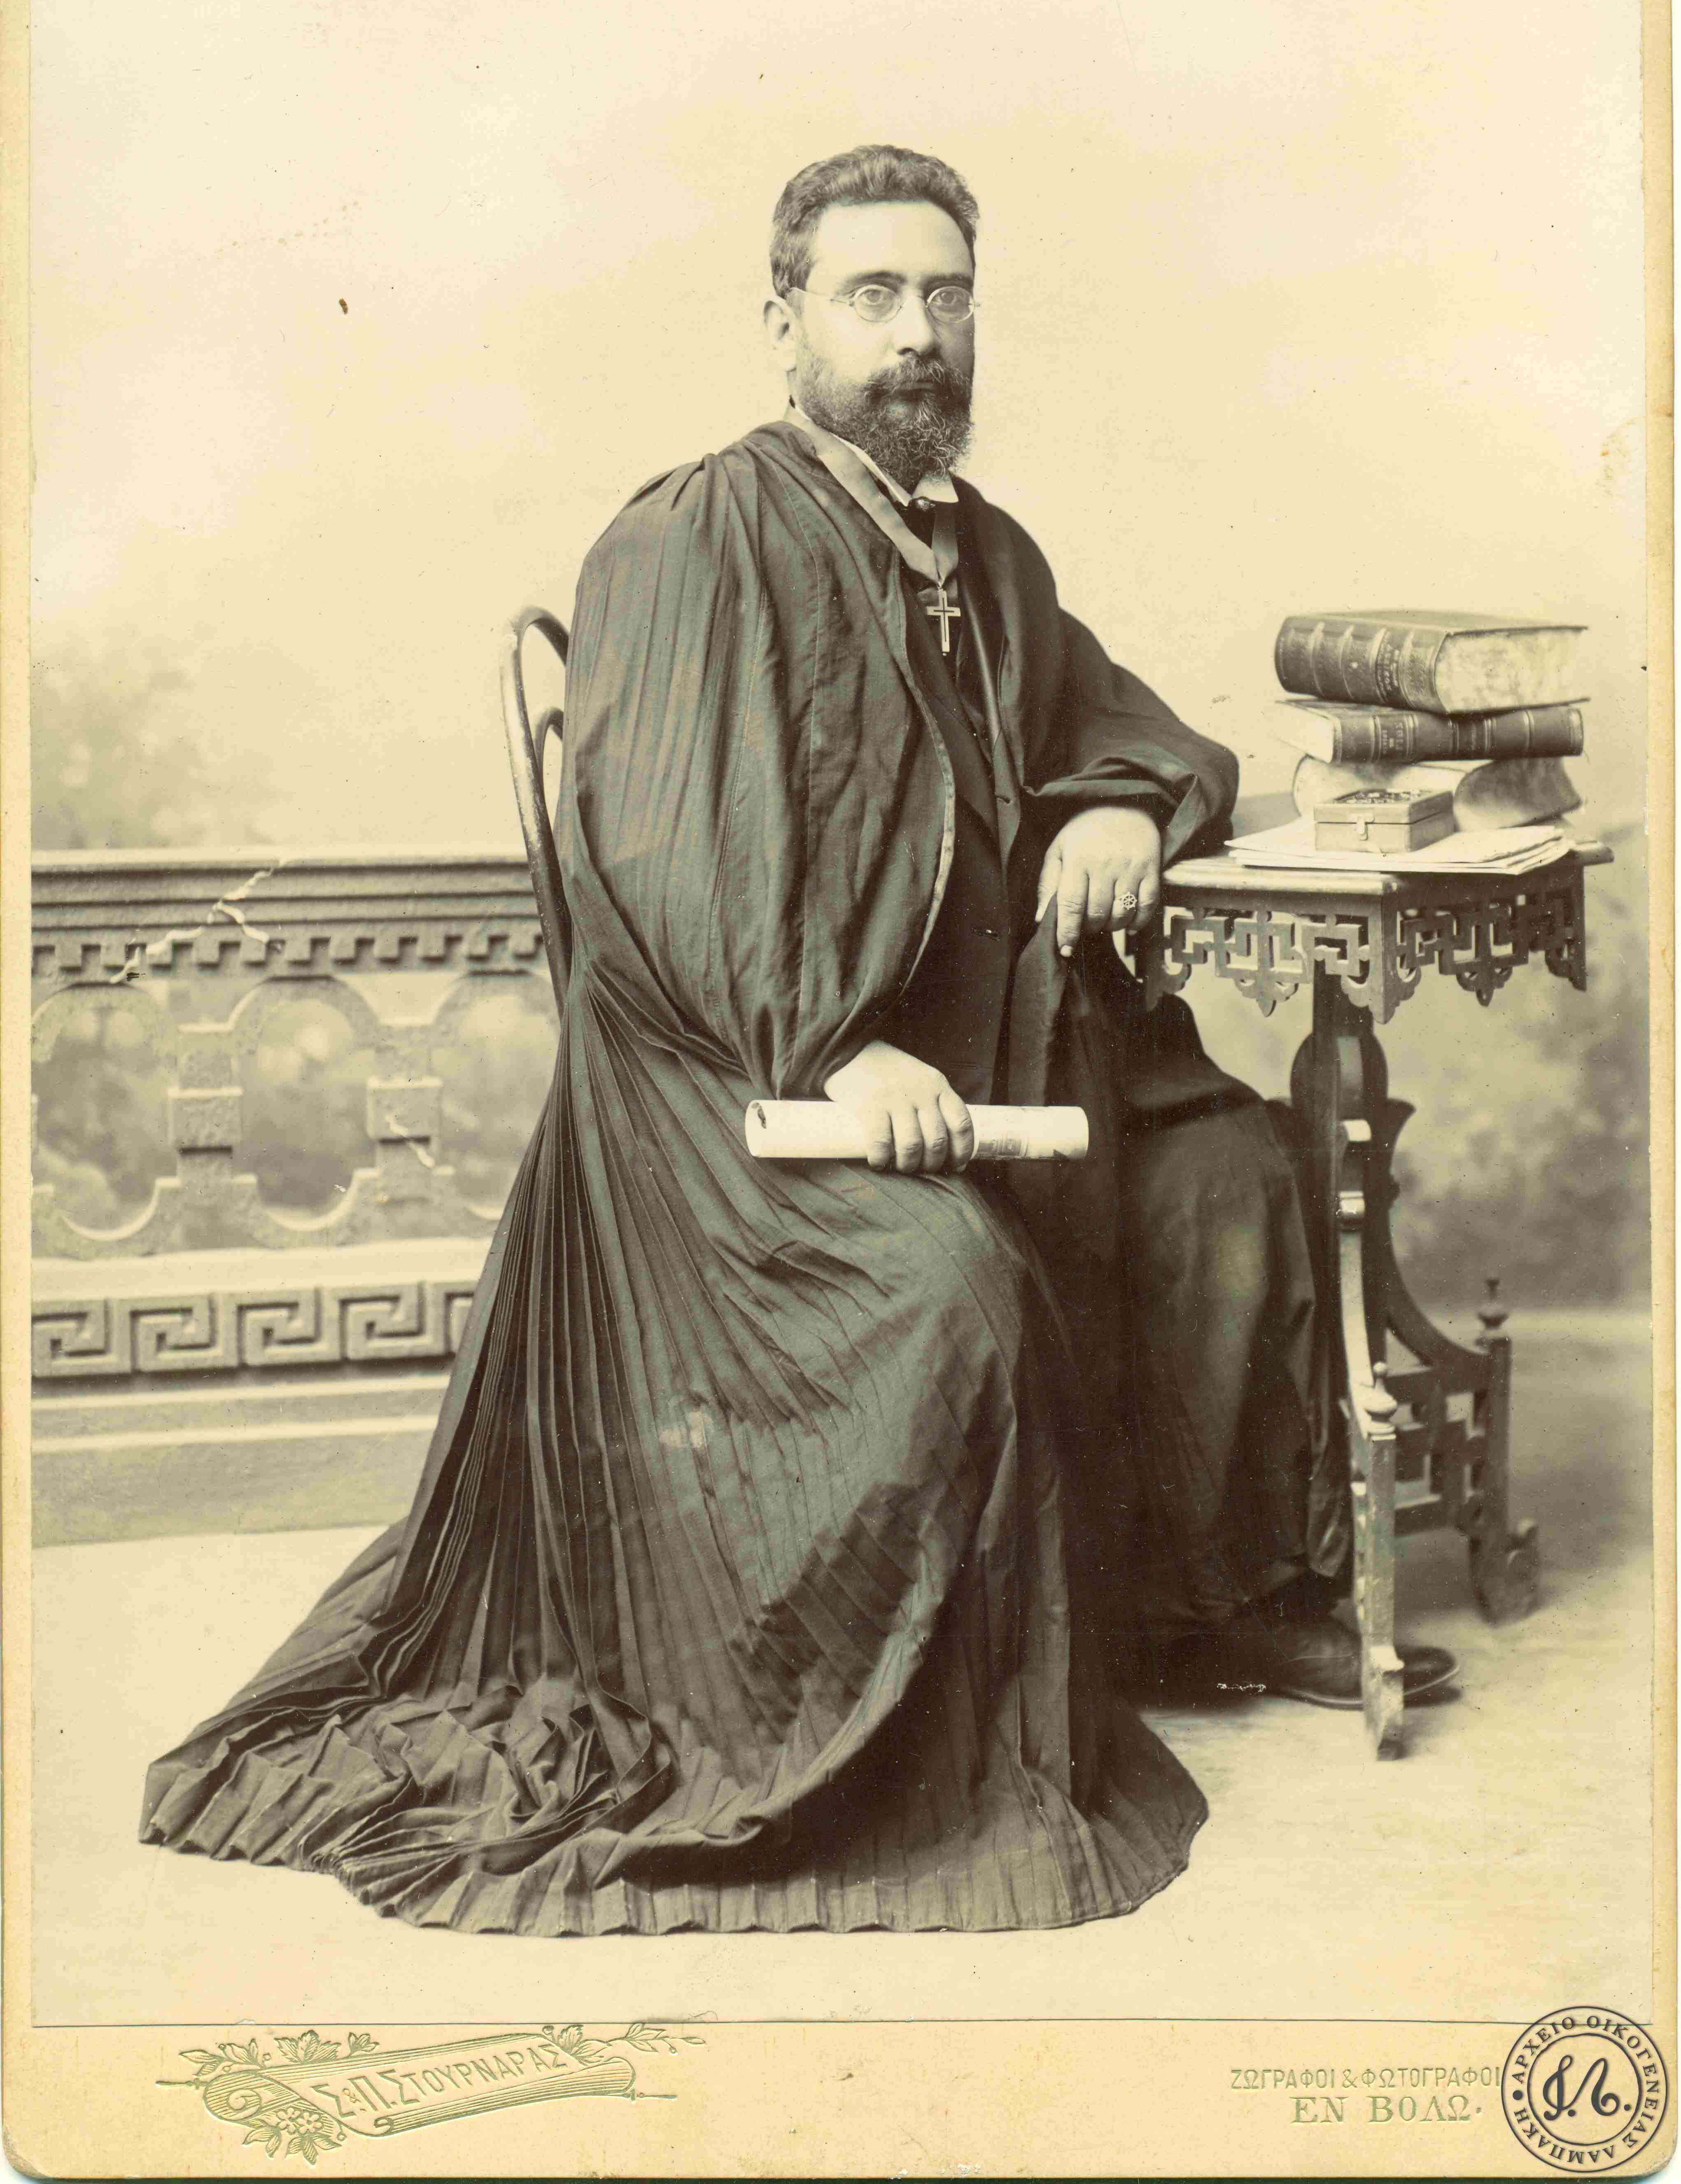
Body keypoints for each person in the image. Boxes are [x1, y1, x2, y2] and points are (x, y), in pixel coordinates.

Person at [140, 145, 1450, 1940]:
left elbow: (1128, 720)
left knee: (1223, 1170)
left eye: (945, 296)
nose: (917, 336)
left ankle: (1209, 1601)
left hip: (974, 1059)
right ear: (784, 323)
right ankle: (893, 1704)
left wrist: (1117, 802)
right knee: (945, 1294)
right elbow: (665, 862)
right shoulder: (696, 536)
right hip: (720, 1089)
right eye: (871, 295)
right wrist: (828, 1056)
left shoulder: (989, 553)